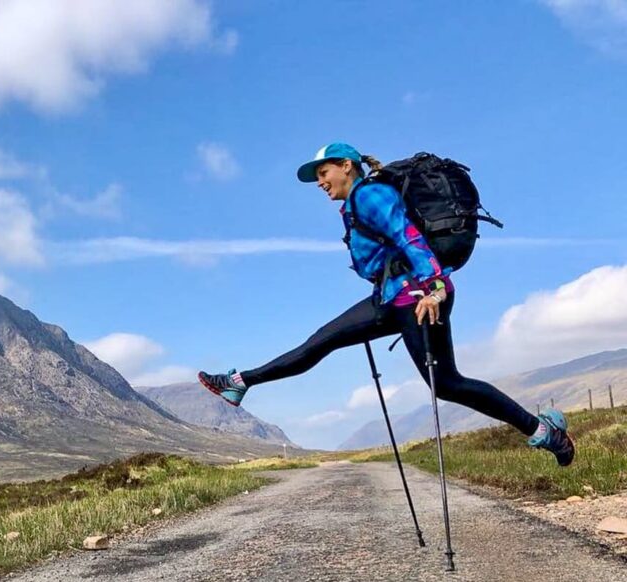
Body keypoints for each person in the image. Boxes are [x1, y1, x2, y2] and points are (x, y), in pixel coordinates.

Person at [198, 142, 575, 466]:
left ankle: (543, 430)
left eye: (324, 171)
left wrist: (435, 289)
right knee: (322, 340)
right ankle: (240, 381)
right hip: (388, 298)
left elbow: (409, 238)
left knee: (446, 384)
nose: (319, 181)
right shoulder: (354, 204)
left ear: (347, 166)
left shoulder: (370, 195)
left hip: (417, 297)